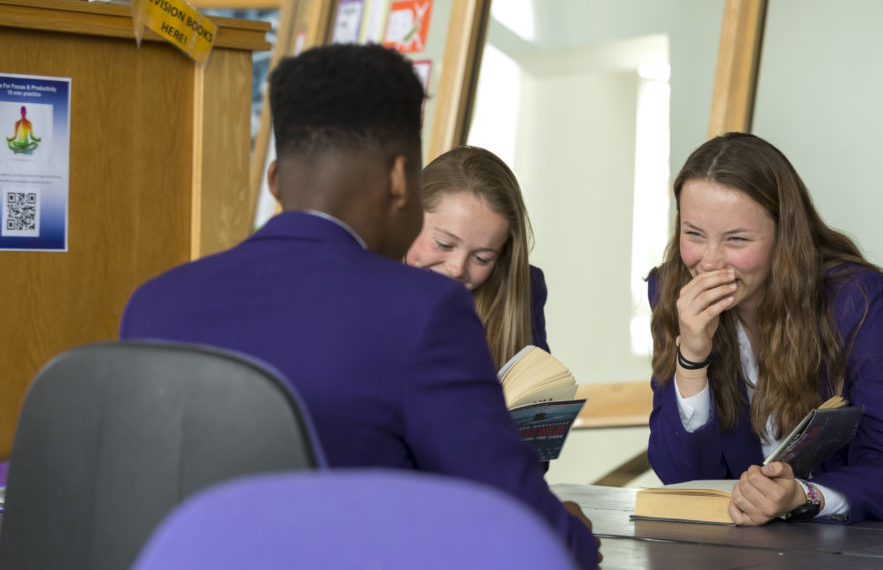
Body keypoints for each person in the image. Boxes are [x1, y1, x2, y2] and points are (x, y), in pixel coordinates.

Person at [120, 43, 599, 568]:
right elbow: (514, 514)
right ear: (400, 182)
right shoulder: (423, 312)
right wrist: (575, 538)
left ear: (276, 180)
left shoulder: (151, 304)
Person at [647, 132, 883, 525]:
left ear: (784, 235)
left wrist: (802, 496)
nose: (709, 262)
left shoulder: (858, 300)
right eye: (694, 234)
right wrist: (691, 357)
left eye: (737, 239)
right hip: (757, 550)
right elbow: (683, 480)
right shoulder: (672, 291)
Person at [406, 146, 549, 368]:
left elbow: (539, 393)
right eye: (444, 244)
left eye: (482, 258)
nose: (457, 268)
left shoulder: (526, 288)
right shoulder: (358, 278)